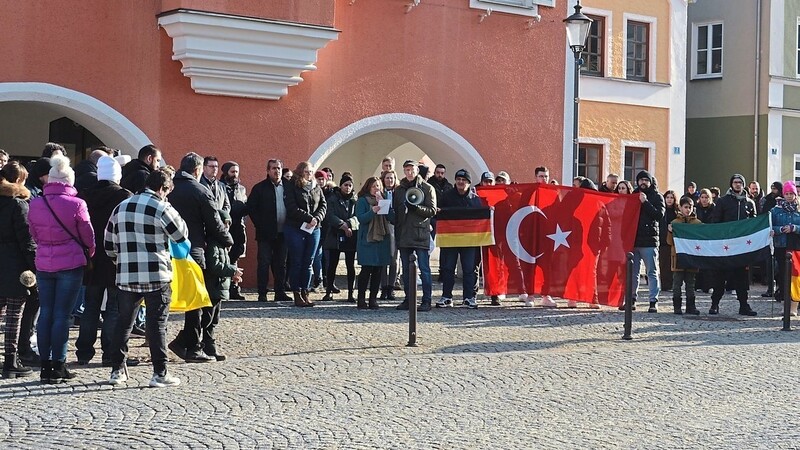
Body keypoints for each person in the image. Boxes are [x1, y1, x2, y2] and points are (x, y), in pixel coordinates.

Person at [105, 168, 189, 387]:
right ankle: (159, 373)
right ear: (162, 188)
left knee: (123, 323)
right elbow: (181, 236)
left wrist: (121, 261)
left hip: (126, 275)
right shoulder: (161, 207)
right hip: (156, 274)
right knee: (157, 325)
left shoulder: (121, 207)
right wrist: (169, 206)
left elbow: (108, 244)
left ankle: (117, 371)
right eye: (168, 191)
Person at [28, 154, 95, 383]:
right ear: (69, 181)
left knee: (46, 312)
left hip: (44, 262)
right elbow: (88, 235)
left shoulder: (35, 203)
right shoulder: (77, 204)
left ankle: (45, 364)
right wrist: (90, 251)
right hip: (70, 262)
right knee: (62, 315)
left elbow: (34, 234)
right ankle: (59, 364)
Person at [167, 152, 233, 362]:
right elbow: (214, 223)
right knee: (197, 300)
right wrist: (228, 240)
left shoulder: (168, 188)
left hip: (164, 250)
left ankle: (179, 343)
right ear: (197, 170)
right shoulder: (200, 191)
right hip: (192, 250)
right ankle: (193, 347)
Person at [75, 156, 133, 367]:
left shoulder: (86, 195)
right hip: (116, 256)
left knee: (90, 306)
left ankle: (83, 352)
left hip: (91, 257)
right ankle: (109, 352)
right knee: (114, 307)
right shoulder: (124, 196)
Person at [0, 161, 36, 378]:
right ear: (20, 180)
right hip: (14, 265)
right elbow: (26, 239)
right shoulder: (18, 204)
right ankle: (10, 360)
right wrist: (35, 267)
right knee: (14, 315)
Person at [708, 173, 758, 316]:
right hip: (725, 246)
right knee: (720, 277)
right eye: (735, 182)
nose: (737, 185)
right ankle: (715, 304)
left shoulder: (749, 203)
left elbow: (753, 224)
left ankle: (744, 305)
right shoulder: (723, 202)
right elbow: (715, 222)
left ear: (744, 185)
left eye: (740, 182)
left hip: (742, 246)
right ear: (731, 184)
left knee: (741, 279)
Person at [393, 160, 437, 311]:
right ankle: (409, 299)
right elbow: (396, 211)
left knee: (424, 268)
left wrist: (415, 208)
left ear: (417, 170)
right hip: (404, 233)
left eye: (412, 170)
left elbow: (432, 211)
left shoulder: (427, 188)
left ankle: (426, 300)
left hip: (420, 233)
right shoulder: (399, 190)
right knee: (406, 270)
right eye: (406, 170)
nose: (409, 173)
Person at [247, 159, 291, 303]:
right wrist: (260, 225)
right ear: (267, 170)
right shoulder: (260, 188)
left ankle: (280, 292)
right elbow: (251, 208)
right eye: (273, 168)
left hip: (284, 233)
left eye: (278, 168)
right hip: (265, 234)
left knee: (281, 264)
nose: (276, 171)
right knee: (264, 263)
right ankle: (262, 293)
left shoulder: (289, 187)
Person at [284, 161, 327, 307]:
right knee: (297, 261)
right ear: (300, 171)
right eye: (306, 171)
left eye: (311, 171)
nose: (309, 174)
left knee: (309, 261)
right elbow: (291, 207)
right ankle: (296, 292)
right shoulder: (292, 185)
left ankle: (305, 292)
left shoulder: (316, 186)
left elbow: (323, 204)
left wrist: (316, 219)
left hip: (314, 228)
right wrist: (308, 218)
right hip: (296, 227)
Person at [437, 169, 482, 309]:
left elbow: (480, 219)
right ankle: (446, 297)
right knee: (448, 268)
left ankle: (469, 297)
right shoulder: (446, 196)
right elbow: (438, 213)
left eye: (464, 180)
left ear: (468, 183)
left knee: (469, 269)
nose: (460, 182)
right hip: (450, 239)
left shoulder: (475, 200)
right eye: (458, 179)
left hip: (469, 241)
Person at [202, 209, 243, 360]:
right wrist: (232, 271)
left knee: (214, 318)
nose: (226, 227)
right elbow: (215, 266)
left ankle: (208, 345)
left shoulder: (222, 244)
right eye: (223, 224)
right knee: (208, 319)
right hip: (213, 287)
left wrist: (232, 275)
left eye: (228, 224)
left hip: (219, 287)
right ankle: (206, 346)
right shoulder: (214, 243)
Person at [355, 177, 391, 309]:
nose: (377, 189)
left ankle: (373, 299)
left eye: (379, 186)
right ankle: (361, 298)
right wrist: (372, 211)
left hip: (382, 239)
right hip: (368, 239)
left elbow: (391, 218)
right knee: (366, 270)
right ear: (368, 187)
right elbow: (361, 218)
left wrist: (384, 206)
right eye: (374, 186)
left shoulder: (385, 200)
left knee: (378, 270)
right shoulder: (362, 201)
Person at [631, 171, 665, 313]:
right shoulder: (632, 195)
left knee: (651, 272)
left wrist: (645, 202)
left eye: (646, 180)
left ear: (650, 182)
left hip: (650, 241)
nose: (643, 182)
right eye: (640, 180)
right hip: (633, 240)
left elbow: (659, 215)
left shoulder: (657, 196)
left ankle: (653, 301)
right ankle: (632, 299)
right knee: (633, 273)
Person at [322, 174, 359, 302]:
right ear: (341, 185)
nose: (348, 187)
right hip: (334, 233)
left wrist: (349, 224)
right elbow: (329, 214)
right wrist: (342, 225)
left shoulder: (355, 199)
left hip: (350, 234)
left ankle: (351, 293)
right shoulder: (333, 198)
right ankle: (328, 291)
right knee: (332, 264)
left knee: (350, 265)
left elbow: (357, 216)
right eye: (345, 185)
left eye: (350, 185)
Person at [666, 196, 702, 315]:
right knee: (677, 283)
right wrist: (670, 231)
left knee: (690, 283)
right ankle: (677, 306)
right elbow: (669, 242)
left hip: (692, 257)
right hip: (677, 257)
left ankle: (691, 306)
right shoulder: (675, 223)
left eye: (690, 207)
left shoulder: (697, 224)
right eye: (685, 207)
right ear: (680, 208)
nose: (687, 210)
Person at [770, 182, 800, 310]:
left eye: (791, 194)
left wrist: (795, 228)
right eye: (786, 193)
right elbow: (770, 227)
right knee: (783, 275)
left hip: (797, 246)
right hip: (781, 246)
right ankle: (785, 304)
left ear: (795, 194)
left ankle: (795, 304)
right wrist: (781, 229)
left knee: (796, 275)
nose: (788, 196)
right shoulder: (776, 210)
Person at [220, 161, 248, 300]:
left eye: (237, 171)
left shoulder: (241, 189)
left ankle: (234, 288)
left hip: (238, 227)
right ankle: (223, 287)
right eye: (232, 172)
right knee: (223, 258)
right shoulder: (220, 187)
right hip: (224, 227)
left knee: (235, 258)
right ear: (225, 172)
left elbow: (244, 205)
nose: (235, 174)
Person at [379, 170, 400, 300]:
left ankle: (391, 287)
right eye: (387, 178)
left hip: (395, 226)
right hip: (382, 225)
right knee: (383, 258)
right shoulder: (379, 193)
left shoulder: (398, 192)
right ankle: (383, 287)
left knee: (394, 259)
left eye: (392, 178)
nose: (389, 180)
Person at [694, 188, 716, 293]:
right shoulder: (695, 209)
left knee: (710, 263)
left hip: (710, 238)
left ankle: (709, 285)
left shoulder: (714, 208)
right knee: (699, 262)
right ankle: (698, 285)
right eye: (702, 197)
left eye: (706, 197)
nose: (704, 200)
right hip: (698, 238)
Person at [659, 190, 678, 292]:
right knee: (664, 263)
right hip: (663, 240)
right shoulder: (662, 210)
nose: (669, 200)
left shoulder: (677, 211)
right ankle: (665, 285)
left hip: (674, 241)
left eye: (671, 198)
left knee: (673, 263)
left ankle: (673, 284)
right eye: (667, 197)